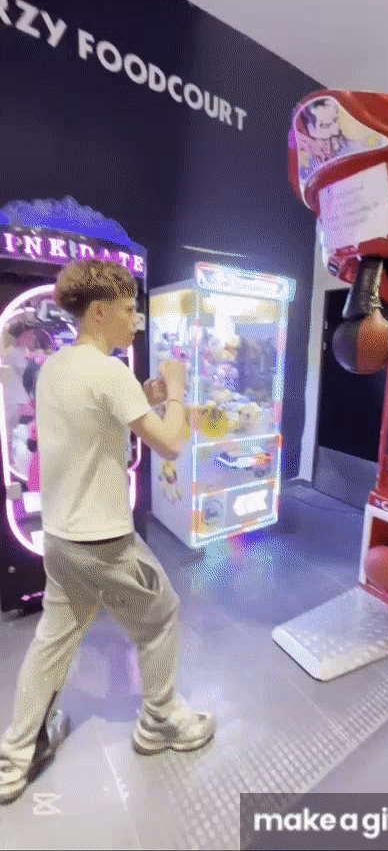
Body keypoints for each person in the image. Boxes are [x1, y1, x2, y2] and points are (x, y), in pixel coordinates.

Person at [0, 258, 216, 805]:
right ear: (99, 311)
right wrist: (177, 391)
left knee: (52, 643)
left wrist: (147, 395)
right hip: (104, 544)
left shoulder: (58, 366)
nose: (135, 320)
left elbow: (96, 413)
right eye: (127, 309)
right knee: (160, 617)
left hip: (59, 539)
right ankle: (161, 721)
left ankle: (13, 758)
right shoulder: (109, 371)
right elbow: (171, 443)